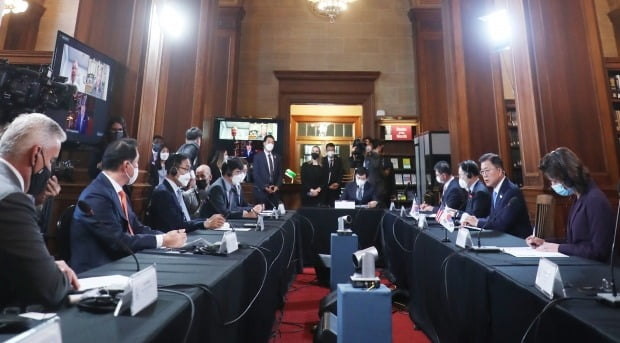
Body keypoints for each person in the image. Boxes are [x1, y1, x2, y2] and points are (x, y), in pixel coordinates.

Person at [71, 138, 187, 273]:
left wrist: (168, 236)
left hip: (121, 263)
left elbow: (136, 228)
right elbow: (118, 241)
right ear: (126, 166)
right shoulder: (96, 196)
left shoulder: (119, 191)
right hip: (98, 271)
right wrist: (163, 240)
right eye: (136, 163)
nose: (138, 167)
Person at [0, 113, 79, 309]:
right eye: (51, 161)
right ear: (36, 154)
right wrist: (53, 273)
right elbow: (49, 290)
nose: (51, 169)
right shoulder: (12, 199)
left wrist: (45, 266)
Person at [525, 147, 614, 262]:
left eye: (555, 181)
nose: (553, 185)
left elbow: (599, 251)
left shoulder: (595, 200)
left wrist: (558, 248)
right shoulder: (579, 197)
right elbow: (573, 242)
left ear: (568, 177)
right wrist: (545, 242)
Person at [461, 153, 531, 238]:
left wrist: (477, 222)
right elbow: (492, 218)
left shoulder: (511, 191)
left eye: (487, 170)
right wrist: (472, 221)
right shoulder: (495, 190)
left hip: (516, 241)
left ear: (499, 171)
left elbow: (501, 224)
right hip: (502, 237)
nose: (484, 175)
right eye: (482, 171)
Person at [149, 153, 225, 232]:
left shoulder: (175, 191)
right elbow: (177, 225)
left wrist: (207, 220)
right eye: (186, 169)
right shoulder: (163, 193)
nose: (189, 175)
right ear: (173, 170)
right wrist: (205, 224)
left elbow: (186, 220)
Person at [252, 135, 282, 209]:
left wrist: (277, 186)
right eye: (269, 142)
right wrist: (265, 187)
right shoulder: (257, 157)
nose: (271, 144)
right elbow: (255, 174)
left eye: (272, 143)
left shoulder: (277, 157)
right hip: (261, 193)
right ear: (264, 143)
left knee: (274, 217)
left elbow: (280, 174)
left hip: (274, 193)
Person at [322, 142, 343, 207]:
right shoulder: (322, 160)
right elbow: (320, 176)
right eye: (329, 150)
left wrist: (338, 183)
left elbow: (341, 173)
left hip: (335, 188)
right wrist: (327, 186)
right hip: (324, 188)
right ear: (326, 151)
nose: (331, 151)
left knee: (334, 207)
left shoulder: (339, 160)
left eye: (332, 150)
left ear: (334, 151)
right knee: (324, 207)